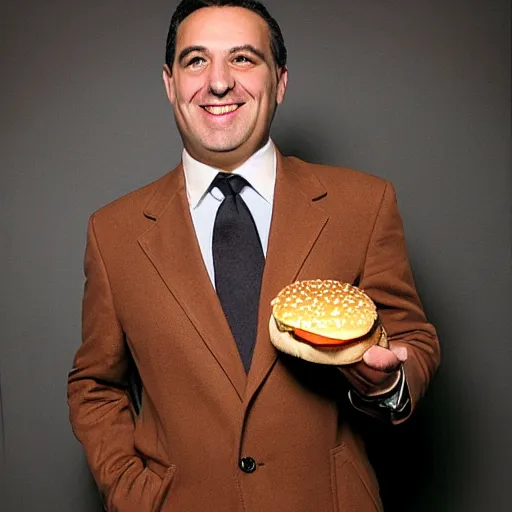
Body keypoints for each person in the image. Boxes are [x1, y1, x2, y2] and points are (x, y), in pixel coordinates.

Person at [67, 1, 440, 511]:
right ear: (170, 83)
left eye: (243, 58)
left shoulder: (364, 203)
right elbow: (95, 385)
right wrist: (134, 492)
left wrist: (390, 382)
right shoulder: (113, 232)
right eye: (196, 60)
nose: (218, 82)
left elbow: (412, 337)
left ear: (280, 81)